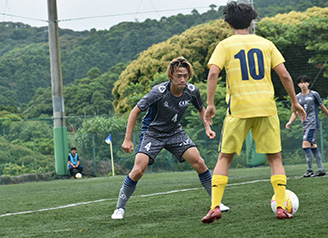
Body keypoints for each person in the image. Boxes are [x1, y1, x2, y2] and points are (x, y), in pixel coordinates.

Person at [201, 2, 306, 223]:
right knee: (275, 158)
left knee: (225, 157)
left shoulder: (225, 45)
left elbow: (213, 73)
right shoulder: (266, 44)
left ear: (229, 23)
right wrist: (294, 102)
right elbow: (285, 75)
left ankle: (215, 206)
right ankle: (281, 206)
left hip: (238, 110)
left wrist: (210, 104)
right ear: (252, 21)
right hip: (266, 108)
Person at [111, 57, 230, 220]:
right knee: (138, 170)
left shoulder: (191, 91)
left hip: (175, 132)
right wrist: (127, 139)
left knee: (200, 162)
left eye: (185, 76)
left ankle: (215, 203)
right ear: (171, 76)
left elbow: (201, 109)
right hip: (152, 133)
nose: (182, 79)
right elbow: (134, 111)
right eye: (179, 75)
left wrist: (207, 127)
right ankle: (120, 208)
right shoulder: (158, 92)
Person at [286, 75, 327, 177]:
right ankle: (321, 170)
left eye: (305, 82)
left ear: (308, 83)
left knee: (305, 145)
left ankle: (309, 170)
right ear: (298, 84)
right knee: (313, 146)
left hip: (313, 124)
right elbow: (295, 112)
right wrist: (290, 122)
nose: (303, 84)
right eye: (301, 82)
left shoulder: (314, 95)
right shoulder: (297, 97)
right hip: (305, 125)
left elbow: (322, 106)